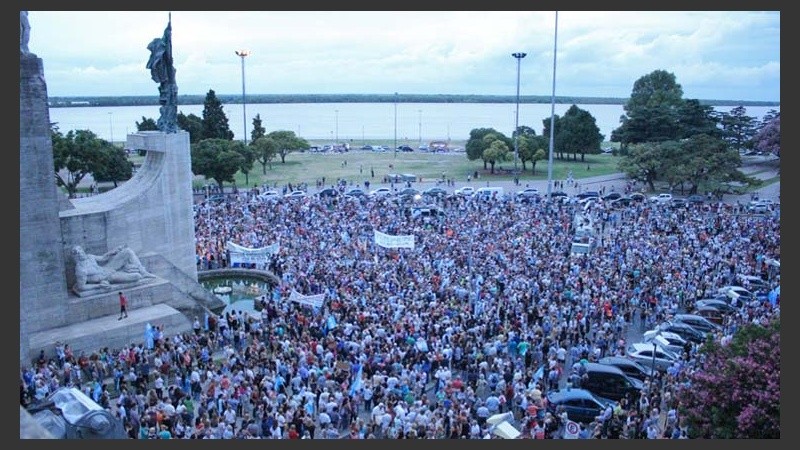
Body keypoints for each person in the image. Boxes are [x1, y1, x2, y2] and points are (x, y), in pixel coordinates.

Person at [71, 245, 156, 296]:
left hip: (107, 268)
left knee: (128, 251)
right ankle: (128, 269)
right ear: (75, 256)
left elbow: (103, 258)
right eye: (77, 253)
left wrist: (113, 252)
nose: (80, 253)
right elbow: (81, 287)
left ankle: (143, 272)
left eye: (80, 250)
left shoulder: (90, 256)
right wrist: (99, 286)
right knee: (137, 276)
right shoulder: (81, 269)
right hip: (108, 277)